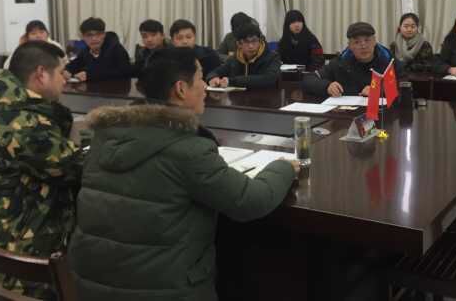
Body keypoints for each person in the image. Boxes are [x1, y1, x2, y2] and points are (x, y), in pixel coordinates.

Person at [68, 48, 298, 300]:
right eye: (200, 78)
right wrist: (283, 167)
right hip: (164, 291)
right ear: (180, 89)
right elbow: (250, 200)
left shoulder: (105, 136)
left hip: (89, 287)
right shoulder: (187, 148)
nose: (205, 86)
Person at [0, 41, 83, 300]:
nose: (65, 79)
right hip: (19, 249)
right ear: (41, 74)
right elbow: (76, 169)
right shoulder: (25, 124)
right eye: (61, 73)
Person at [303, 22, 401, 97]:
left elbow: (404, 83)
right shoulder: (340, 63)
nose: (363, 46)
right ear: (349, 46)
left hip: (383, 114)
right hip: (348, 114)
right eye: (357, 42)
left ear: (374, 41)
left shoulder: (388, 61)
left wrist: (381, 90)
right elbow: (308, 79)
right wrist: (327, 86)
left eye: (367, 40)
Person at [207, 23, 281, 89]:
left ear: (260, 41)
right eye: (246, 42)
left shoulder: (272, 57)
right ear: (239, 44)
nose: (251, 46)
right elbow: (215, 72)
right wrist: (212, 78)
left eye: (254, 41)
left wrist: (232, 81)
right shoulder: (234, 59)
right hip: (239, 99)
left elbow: (268, 79)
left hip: (265, 98)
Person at [64, 17, 133, 82]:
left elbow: (125, 72)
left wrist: (91, 75)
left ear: (104, 35)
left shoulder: (116, 49)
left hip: (116, 89)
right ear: (83, 37)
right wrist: (68, 70)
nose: (94, 38)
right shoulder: (86, 51)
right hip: (91, 89)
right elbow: (76, 63)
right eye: (89, 35)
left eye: (98, 34)